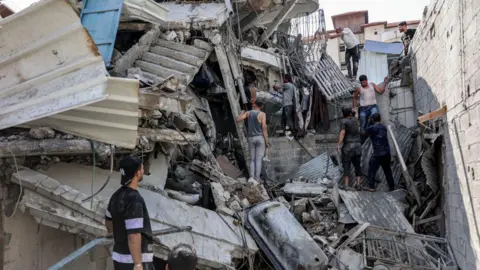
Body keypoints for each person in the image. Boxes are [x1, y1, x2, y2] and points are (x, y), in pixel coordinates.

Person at [105, 156, 154, 270]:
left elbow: (108, 220)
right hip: (133, 260)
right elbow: (134, 234)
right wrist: (138, 263)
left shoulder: (116, 196)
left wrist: (114, 233)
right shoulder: (134, 199)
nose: (143, 171)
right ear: (137, 173)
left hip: (119, 257)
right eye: (141, 168)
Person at [236, 100, 269, 182]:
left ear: (254, 105)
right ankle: (257, 179)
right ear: (261, 106)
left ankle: (251, 178)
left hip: (251, 138)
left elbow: (238, 119)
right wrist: (267, 141)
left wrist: (241, 113)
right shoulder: (262, 114)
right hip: (260, 138)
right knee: (258, 159)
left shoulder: (248, 113)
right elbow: (264, 128)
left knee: (252, 159)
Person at [365, 113, 395, 191]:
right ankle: (392, 187)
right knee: (387, 171)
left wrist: (369, 122)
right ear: (380, 119)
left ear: (372, 119)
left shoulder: (371, 128)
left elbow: (365, 133)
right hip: (386, 153)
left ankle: (371, 187)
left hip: (377, 154)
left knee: (371, 170)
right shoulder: (384, 127)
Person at [353, 75, 388, 139]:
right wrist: (355, 108)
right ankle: (363, 140)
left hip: (373, 106)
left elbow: (380, 92)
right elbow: (354, 98)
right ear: (360, 82)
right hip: (363, 108)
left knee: (376, 121)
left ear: (367, 80)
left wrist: (384, 83)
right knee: (362, 125)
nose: (363, 84)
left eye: (364, 82)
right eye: (362, 83)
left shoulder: (372, 85)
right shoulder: (359, 89)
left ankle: (377, 136)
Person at [337, 107, 362, 187]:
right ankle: (358, 184)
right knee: (357, 165)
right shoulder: (355, 120)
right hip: (358, 146)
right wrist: (356, 111)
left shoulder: (343, 121)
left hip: (348, 146)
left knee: (346, 165)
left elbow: (342, 133)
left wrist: (338, 144)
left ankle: (346, 185)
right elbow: (356, 116)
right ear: (350, 113)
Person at [282, 74, 295, 139]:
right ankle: (286, 131)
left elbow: (278, 87)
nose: (283, 80)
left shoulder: (287, 85)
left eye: (284, 78)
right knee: (285, 118)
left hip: (287, 104)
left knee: (288, 118)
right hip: (288, 104)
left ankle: (293, 131)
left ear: (287, 79)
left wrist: (275, 86)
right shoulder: (291, 85)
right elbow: (282, 91)